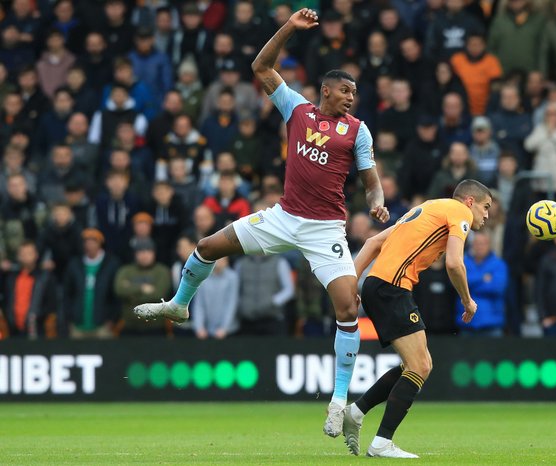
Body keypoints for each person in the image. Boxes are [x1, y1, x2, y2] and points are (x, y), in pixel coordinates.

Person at [133, 8, 388, 438]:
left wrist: (377, 204)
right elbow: (261, 67)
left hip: (325, 229)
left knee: (348, 308)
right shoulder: (299, 111)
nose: (350, 97)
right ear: (326, 90)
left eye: (354, 93)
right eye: (345, 90)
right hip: (283, 217)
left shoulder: (358, 131)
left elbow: (371, 183)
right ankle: (179, 304)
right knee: (208, 246)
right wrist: (289, 27)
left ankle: (339, 400)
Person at [342, 180, 491, 458]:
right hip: (392, 287)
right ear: (469, 201)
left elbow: (374, 242)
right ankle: (381, 443)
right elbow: (454, 263)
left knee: (417, 364)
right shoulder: (460, 213)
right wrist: (467, 300)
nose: (486, 215)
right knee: (420, 366)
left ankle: (357, 411)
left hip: (378, 285)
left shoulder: (427, 208)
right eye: (485, 207)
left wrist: (350, 285)